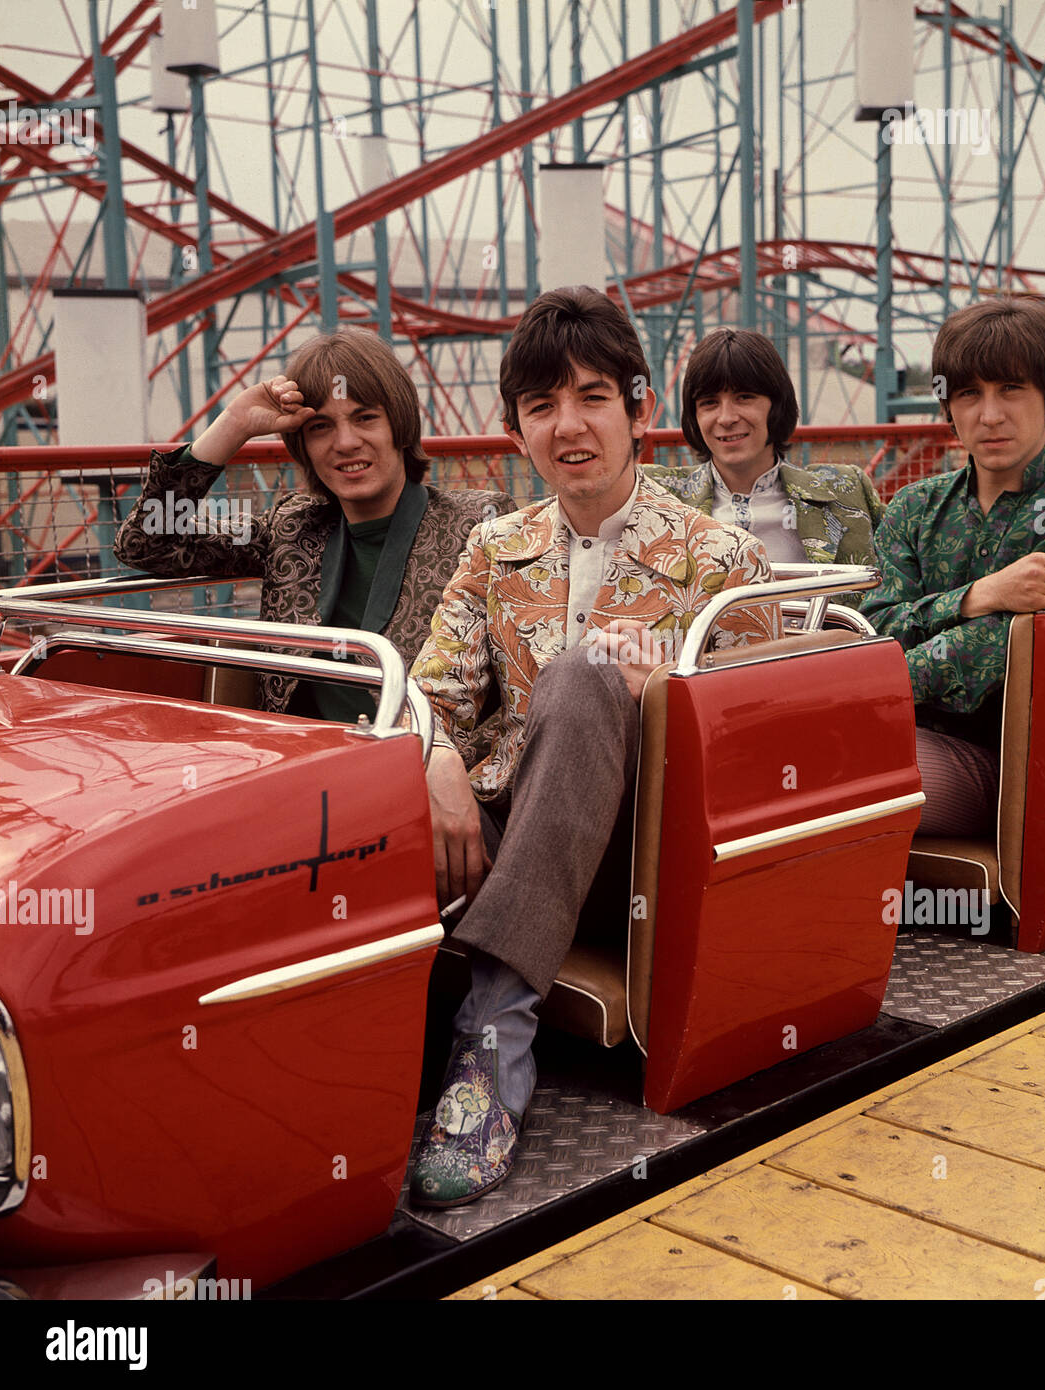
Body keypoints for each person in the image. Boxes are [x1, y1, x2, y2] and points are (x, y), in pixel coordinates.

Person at [408, 286, 779, 1208]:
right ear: (515, 428)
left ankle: (491, 1035)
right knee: (361, 798)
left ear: (639, 409)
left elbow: (769, 741)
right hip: (500, 826)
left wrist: (666, 696)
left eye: (591, 398)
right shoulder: (495, 548)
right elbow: (427, 695)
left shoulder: (719, 557)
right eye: (542, 407)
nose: (568, 426)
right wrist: (438, 759)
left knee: (582, 675)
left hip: (640, 853)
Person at [115, 328, 515, 721]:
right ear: (301, 442)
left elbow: (515, 689)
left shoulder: (478, 526)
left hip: (421, 765)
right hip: (302, 761)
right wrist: (233, 425)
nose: (345, 442)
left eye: (365, 418)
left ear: (400, 424)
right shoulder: (291, 528)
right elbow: (147, 541)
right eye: (320, 427)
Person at [862, 296, 1045, 836]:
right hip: (901, 734)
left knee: (859, 769)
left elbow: (1014, 646)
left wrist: (865, 689)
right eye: (969, 394)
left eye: (1011, 388)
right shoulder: (914, 508)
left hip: (1022, 766)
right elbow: (875, 629)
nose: (989, 415)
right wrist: (981, 594)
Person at [645, 327, 884, 565]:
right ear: (694, 416)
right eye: (709, 403)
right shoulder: (656, 495)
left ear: (777, 405)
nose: (726, 418)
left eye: (744, 397)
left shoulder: (846, 490)